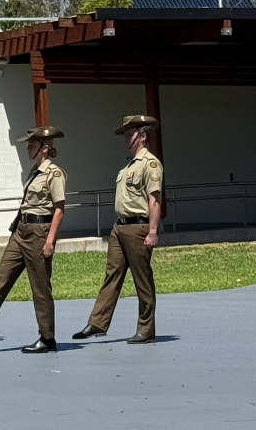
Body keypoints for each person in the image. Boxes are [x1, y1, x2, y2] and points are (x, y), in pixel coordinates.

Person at [0, 126, 66, 353]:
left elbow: (59, 209)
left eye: (32, 146)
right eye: (27, 145)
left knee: (40, 286)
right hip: (22, 230)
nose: (28, 149)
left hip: (39, 231)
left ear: (44, 148)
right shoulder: (34, 172)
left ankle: (47, 338)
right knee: (1, 276)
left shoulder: (54, 174)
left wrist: (50, 240)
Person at [73, 114, 163, 344]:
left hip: (138, 228)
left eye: (129, 134)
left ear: (142, 136)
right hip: (120, 227)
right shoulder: (128, 165)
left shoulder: (150, 164)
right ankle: (97, 323)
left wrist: (153, 232)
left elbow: (154, 200)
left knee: (142, 279)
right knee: (111, 274)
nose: (125, 138)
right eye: (125, 134)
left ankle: (146, 329)